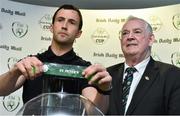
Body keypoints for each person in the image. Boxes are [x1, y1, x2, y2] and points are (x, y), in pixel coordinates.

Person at [0, 4, 111, 114]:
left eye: (72, 22)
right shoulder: (31, 63)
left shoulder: (85, 69)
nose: (64, 26)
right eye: (60, 20)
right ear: (51, 27)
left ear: (78, 33)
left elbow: (95, 112)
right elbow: (2, 90)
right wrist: (13, 72)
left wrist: (104, 90)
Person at [107, 16, 180, 115]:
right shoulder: (107, 75)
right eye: (125, 33)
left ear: (150, 39)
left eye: (137, 32)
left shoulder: (172, 75)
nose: (130, 37)